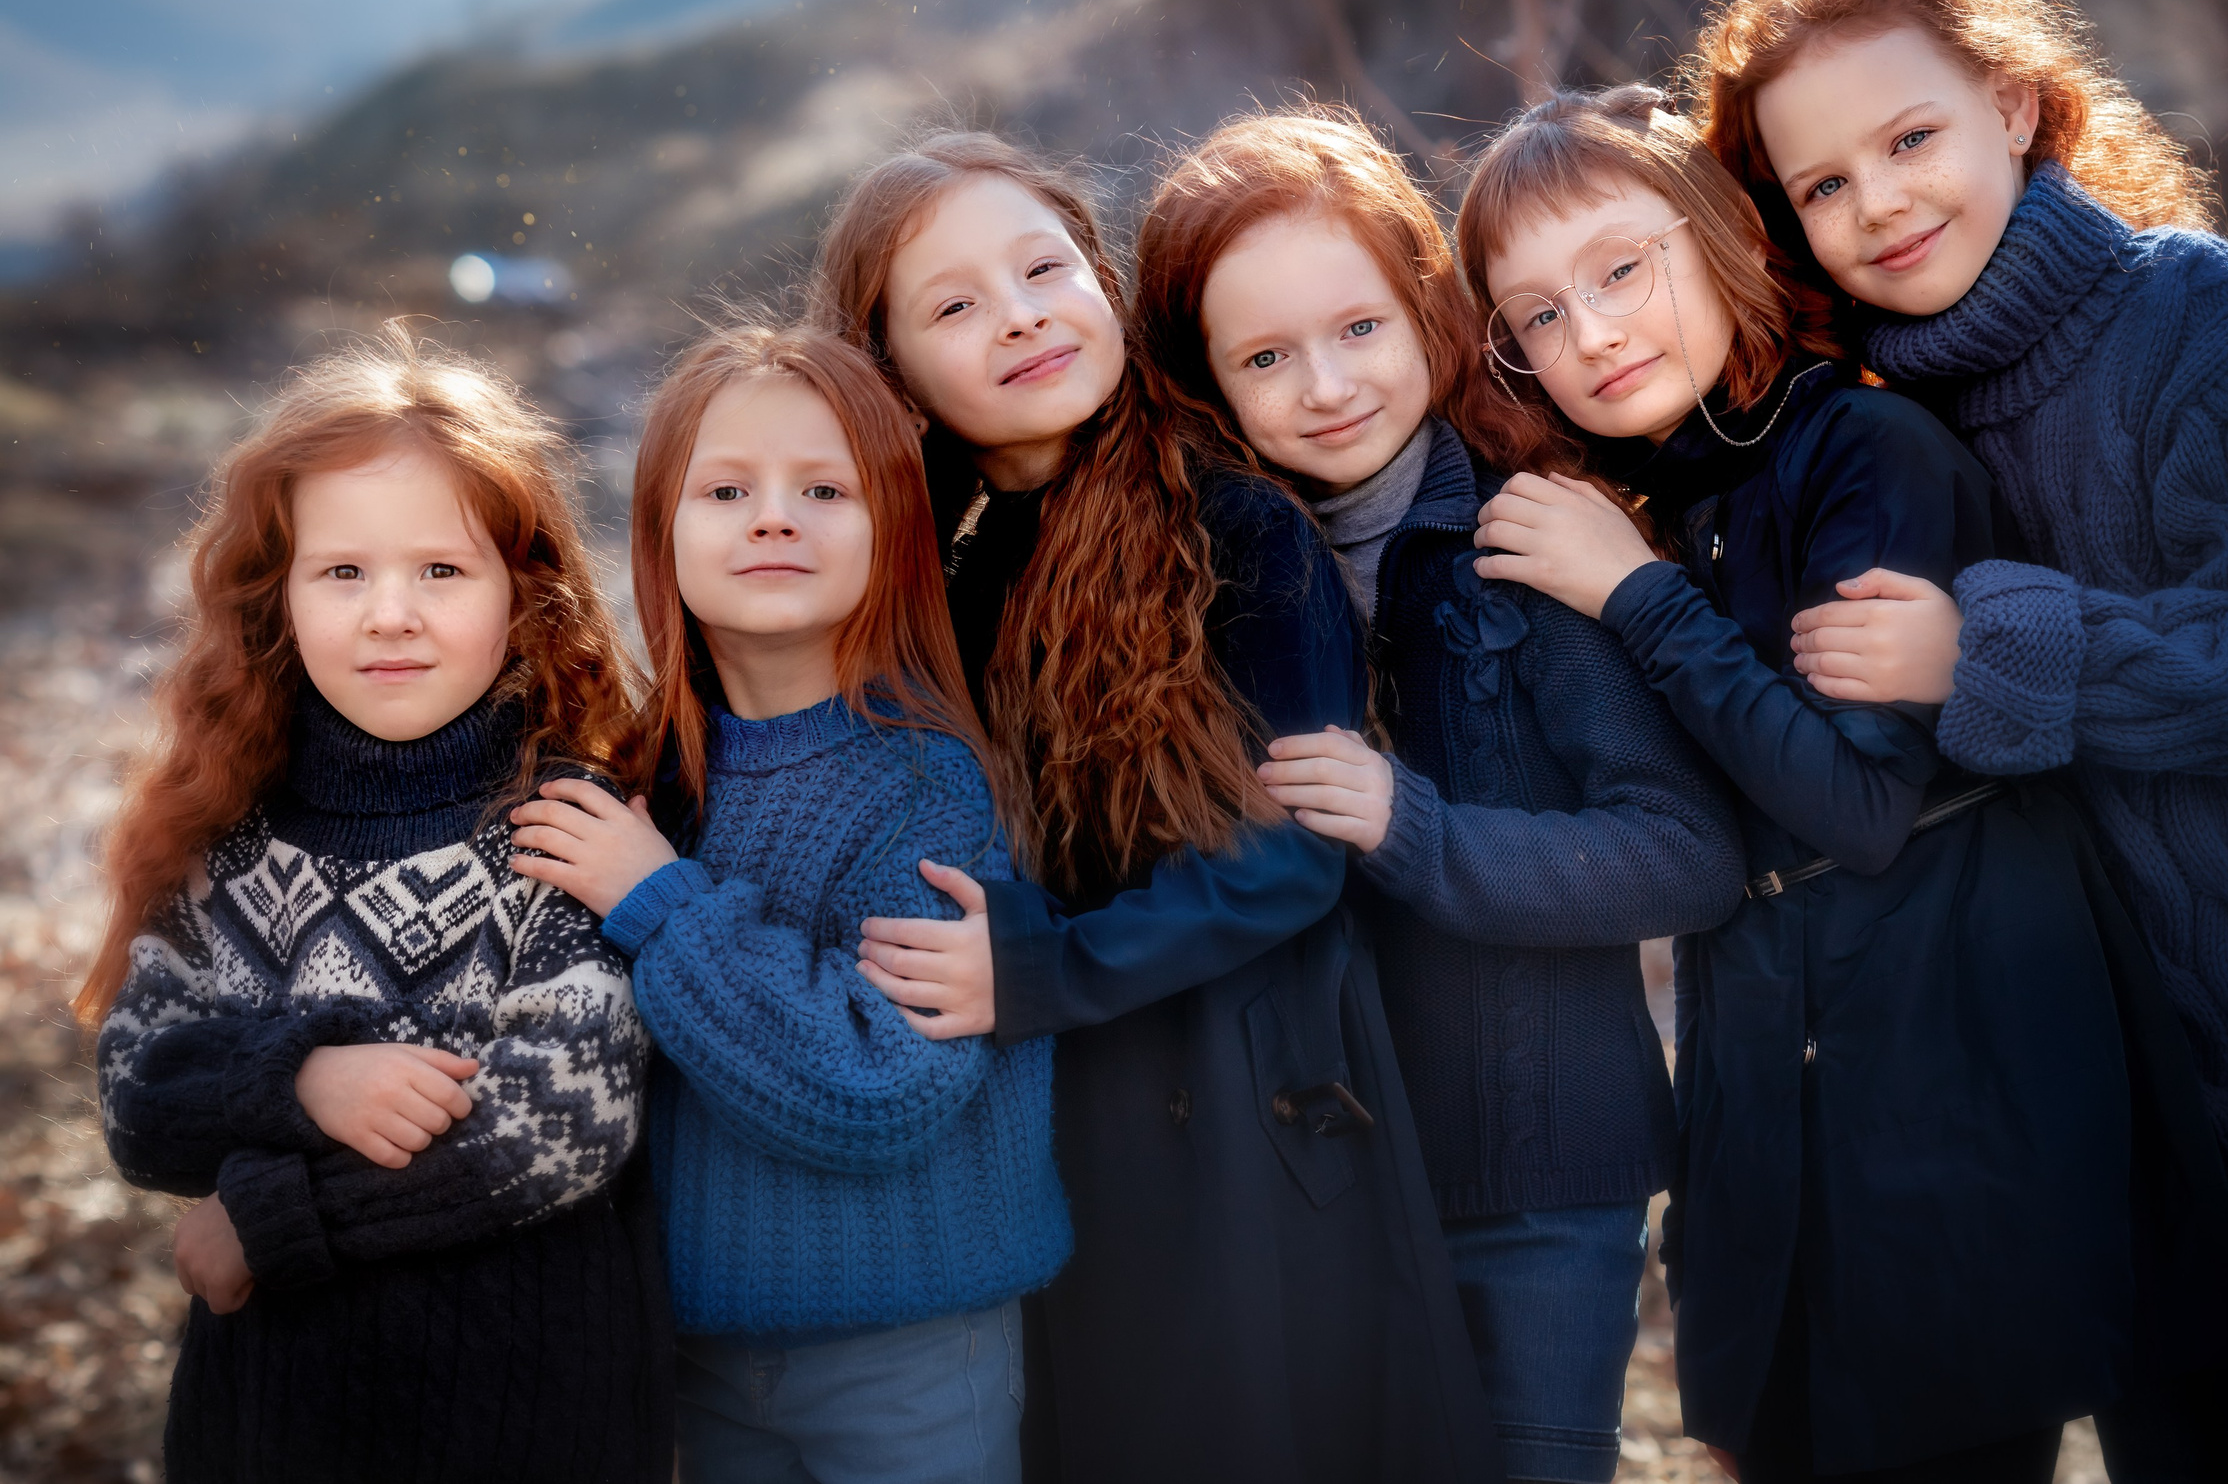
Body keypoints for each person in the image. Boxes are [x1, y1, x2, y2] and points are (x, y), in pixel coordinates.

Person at [1702, 0, 2228, 1484]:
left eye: (1911, 135)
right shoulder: (1880, 417)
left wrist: (1976, 652)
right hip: (2106, 1100)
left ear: (2014, 102)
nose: (1880, 202)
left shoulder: (2194, 314)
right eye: (1824, 185)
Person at [1454, 86, 2214, 1483]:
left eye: (1623, 267)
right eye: (1540, 315)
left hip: (1947, 1095)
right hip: (1771, 1098)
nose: (1594, 332)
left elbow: (1862, 805)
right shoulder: (1674, 493)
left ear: (1724, 236)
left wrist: (1637, 599)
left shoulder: (1866, 449)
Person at [809, 132, 1498, 1484]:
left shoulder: (1233, 524)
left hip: (1248, 1093)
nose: (1017, 315)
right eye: (953, 305)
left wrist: (1044, 967)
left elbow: (1292, 859)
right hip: (1057, 1105)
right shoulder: (929, 568)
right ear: (890, 370)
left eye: (1042, 267)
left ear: (1103, 282)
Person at [1130, 105, 1745, 1484]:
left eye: (1358, 329)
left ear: (1429, 311)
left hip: (1536, 1184)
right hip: (1317, 1182)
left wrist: (1413, 827)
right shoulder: (1203, 587)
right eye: (1267, 357)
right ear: (1204, 382)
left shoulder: (1531, 543)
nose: (1328, 384)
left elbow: (1685, 853)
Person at [84, 330, 666, 1484]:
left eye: (441, 571)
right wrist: (299, 1075)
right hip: (268, 1417)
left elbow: (557, 1122)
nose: (390, 613)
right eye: (342, 572)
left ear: (523, 592)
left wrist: (271, 1216)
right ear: (278, 597)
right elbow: (136, 1091)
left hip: (525, 1416)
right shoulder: (229, 834)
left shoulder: (563, 826)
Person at [504, 323, 1067, 1484]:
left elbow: (882, 1089)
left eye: (823, 488)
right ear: (661, 530)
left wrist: (660, 902)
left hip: (908, 1352)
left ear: (896, 532)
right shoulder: (646, 776)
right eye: (726, 488)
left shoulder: (922, 782)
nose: (773, 516)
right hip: (696, 1349)